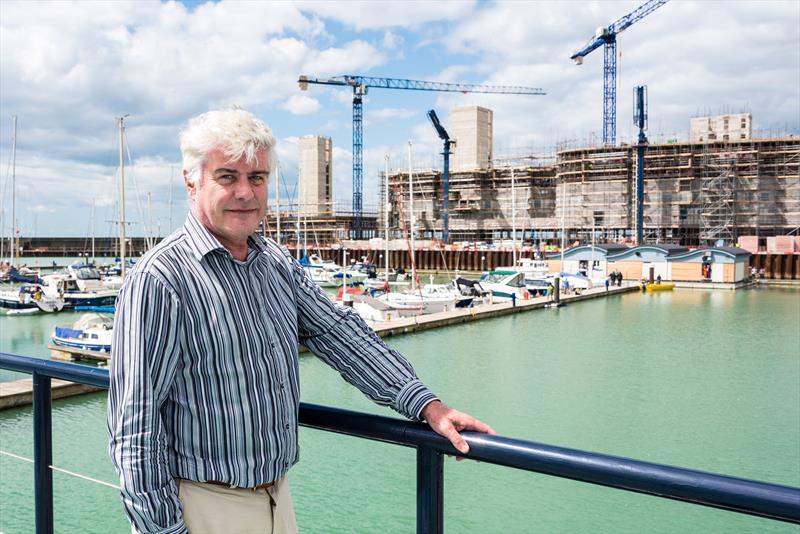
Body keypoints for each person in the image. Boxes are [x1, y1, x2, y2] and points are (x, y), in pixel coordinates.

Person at [107, 108, 494, 534]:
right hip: (202, 506)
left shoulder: (273, 261)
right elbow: (134, 426)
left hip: (277, 499)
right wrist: (163, 530)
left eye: (256, 178)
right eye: (227, 176)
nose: (245, 192)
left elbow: (338, 333)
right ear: (191, 180)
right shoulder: (160, 279)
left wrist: (426, 405)